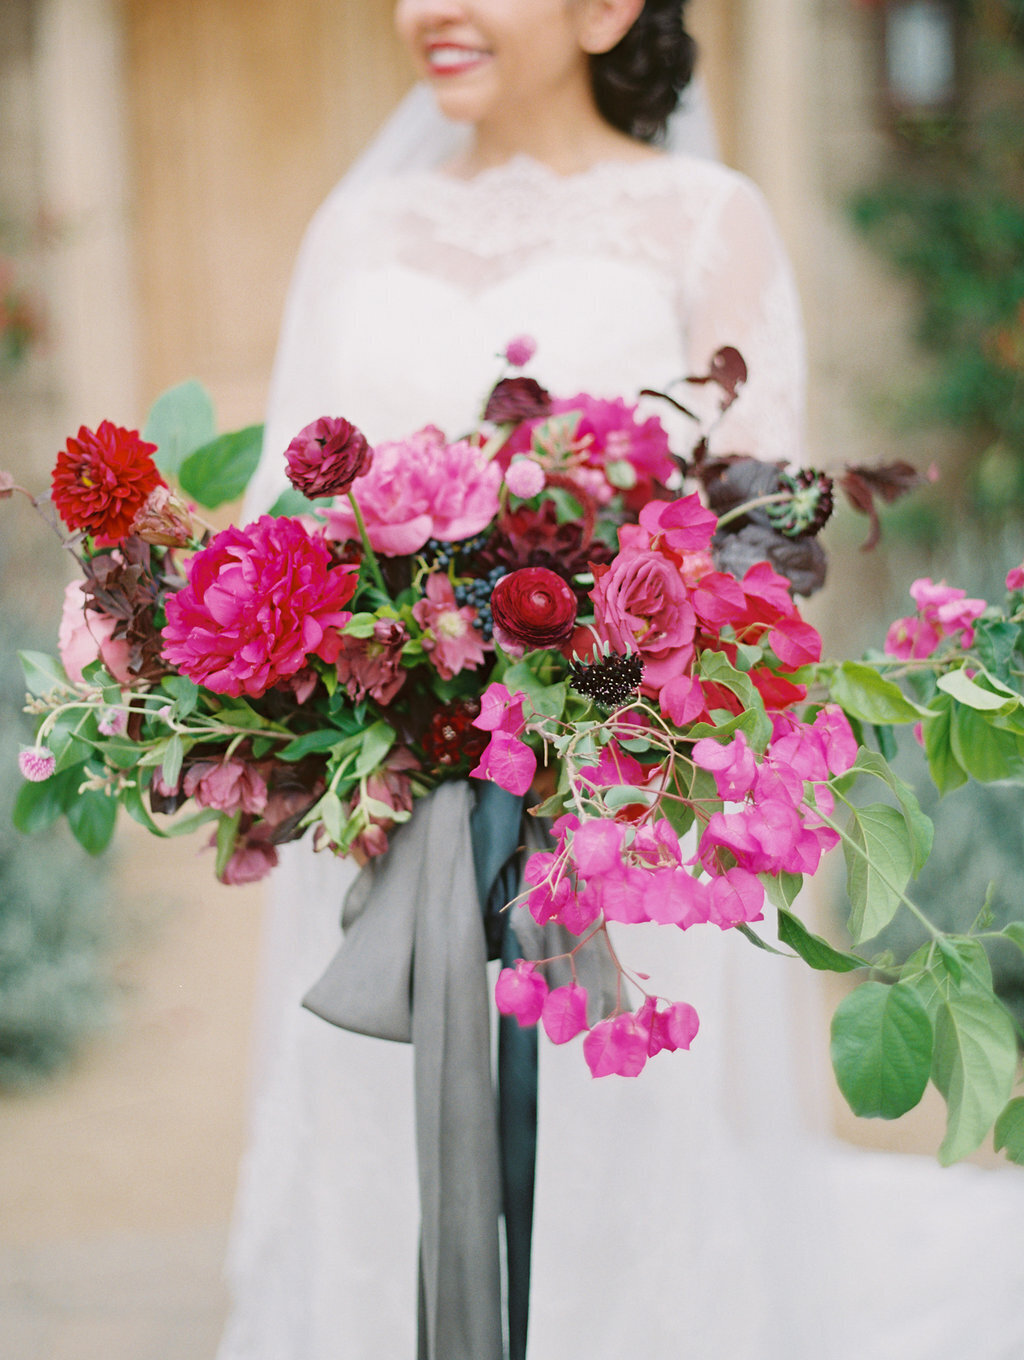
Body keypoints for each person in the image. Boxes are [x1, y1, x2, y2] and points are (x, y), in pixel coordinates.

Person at [219, 4, 1024, 1358]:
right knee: (373, 1162)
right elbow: (272, 528)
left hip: (608, 843)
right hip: (373, 824)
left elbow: (756, 546)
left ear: (607, 6)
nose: (432, 11)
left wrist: (600, 711)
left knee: (608, 1175)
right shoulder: (354, 232)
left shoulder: (707, 219)